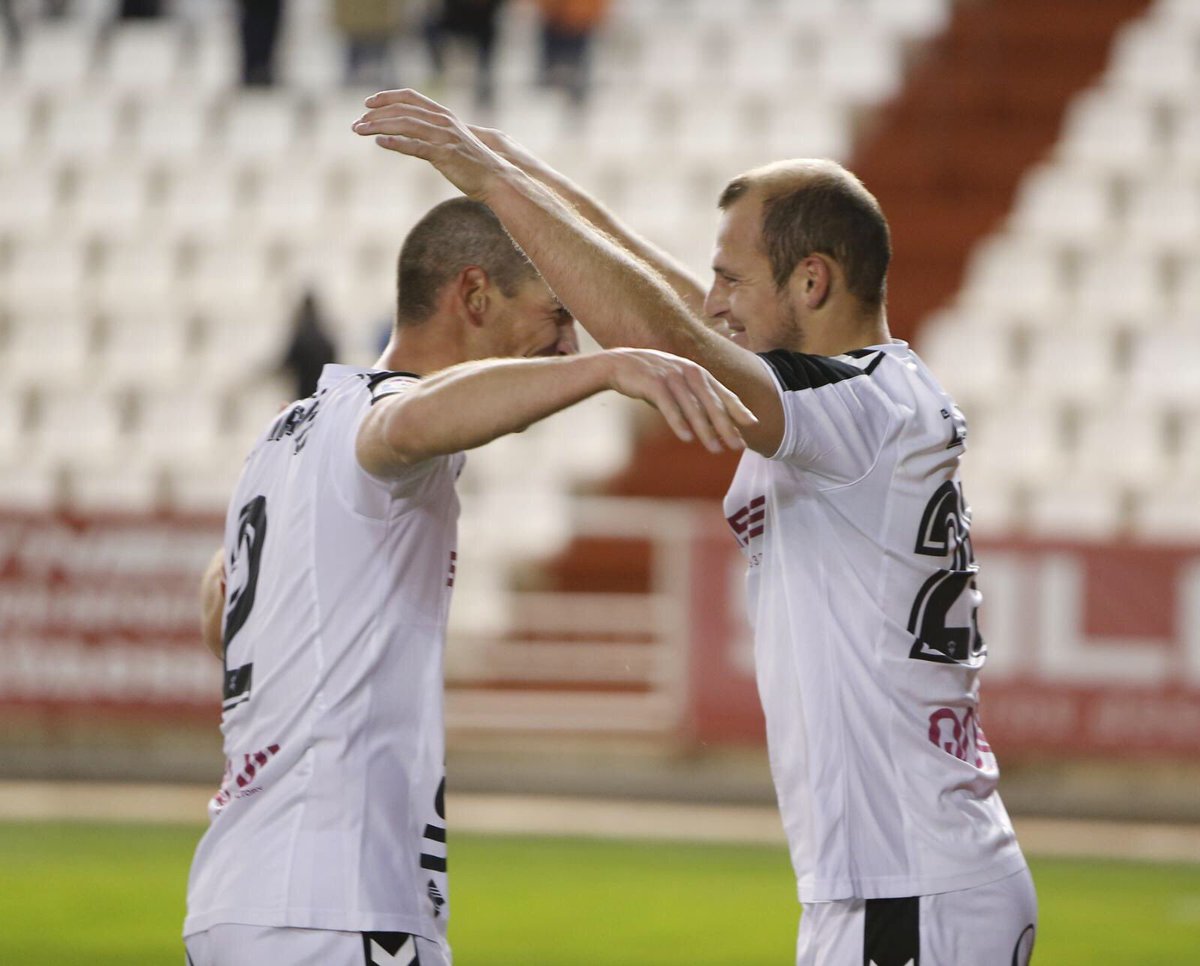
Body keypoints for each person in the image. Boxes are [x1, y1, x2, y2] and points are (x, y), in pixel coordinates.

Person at [353, 90, 1038, 965]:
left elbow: (664, 334)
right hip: (906, 881)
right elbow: (665, 308)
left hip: (908, 889)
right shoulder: (870, 396)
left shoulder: (852, 407)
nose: (713, 301)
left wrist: (494, 186)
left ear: (813, 281)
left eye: (730, 279)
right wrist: (512, 168)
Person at [184, 196, 753, 966]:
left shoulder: (282, 438)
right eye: (554, 314)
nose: (565, 341)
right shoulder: (382, 420)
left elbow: (221, 614)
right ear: (475, 297)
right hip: (338, 901)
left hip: (235, 894)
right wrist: (610, 368)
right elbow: (411, 421)